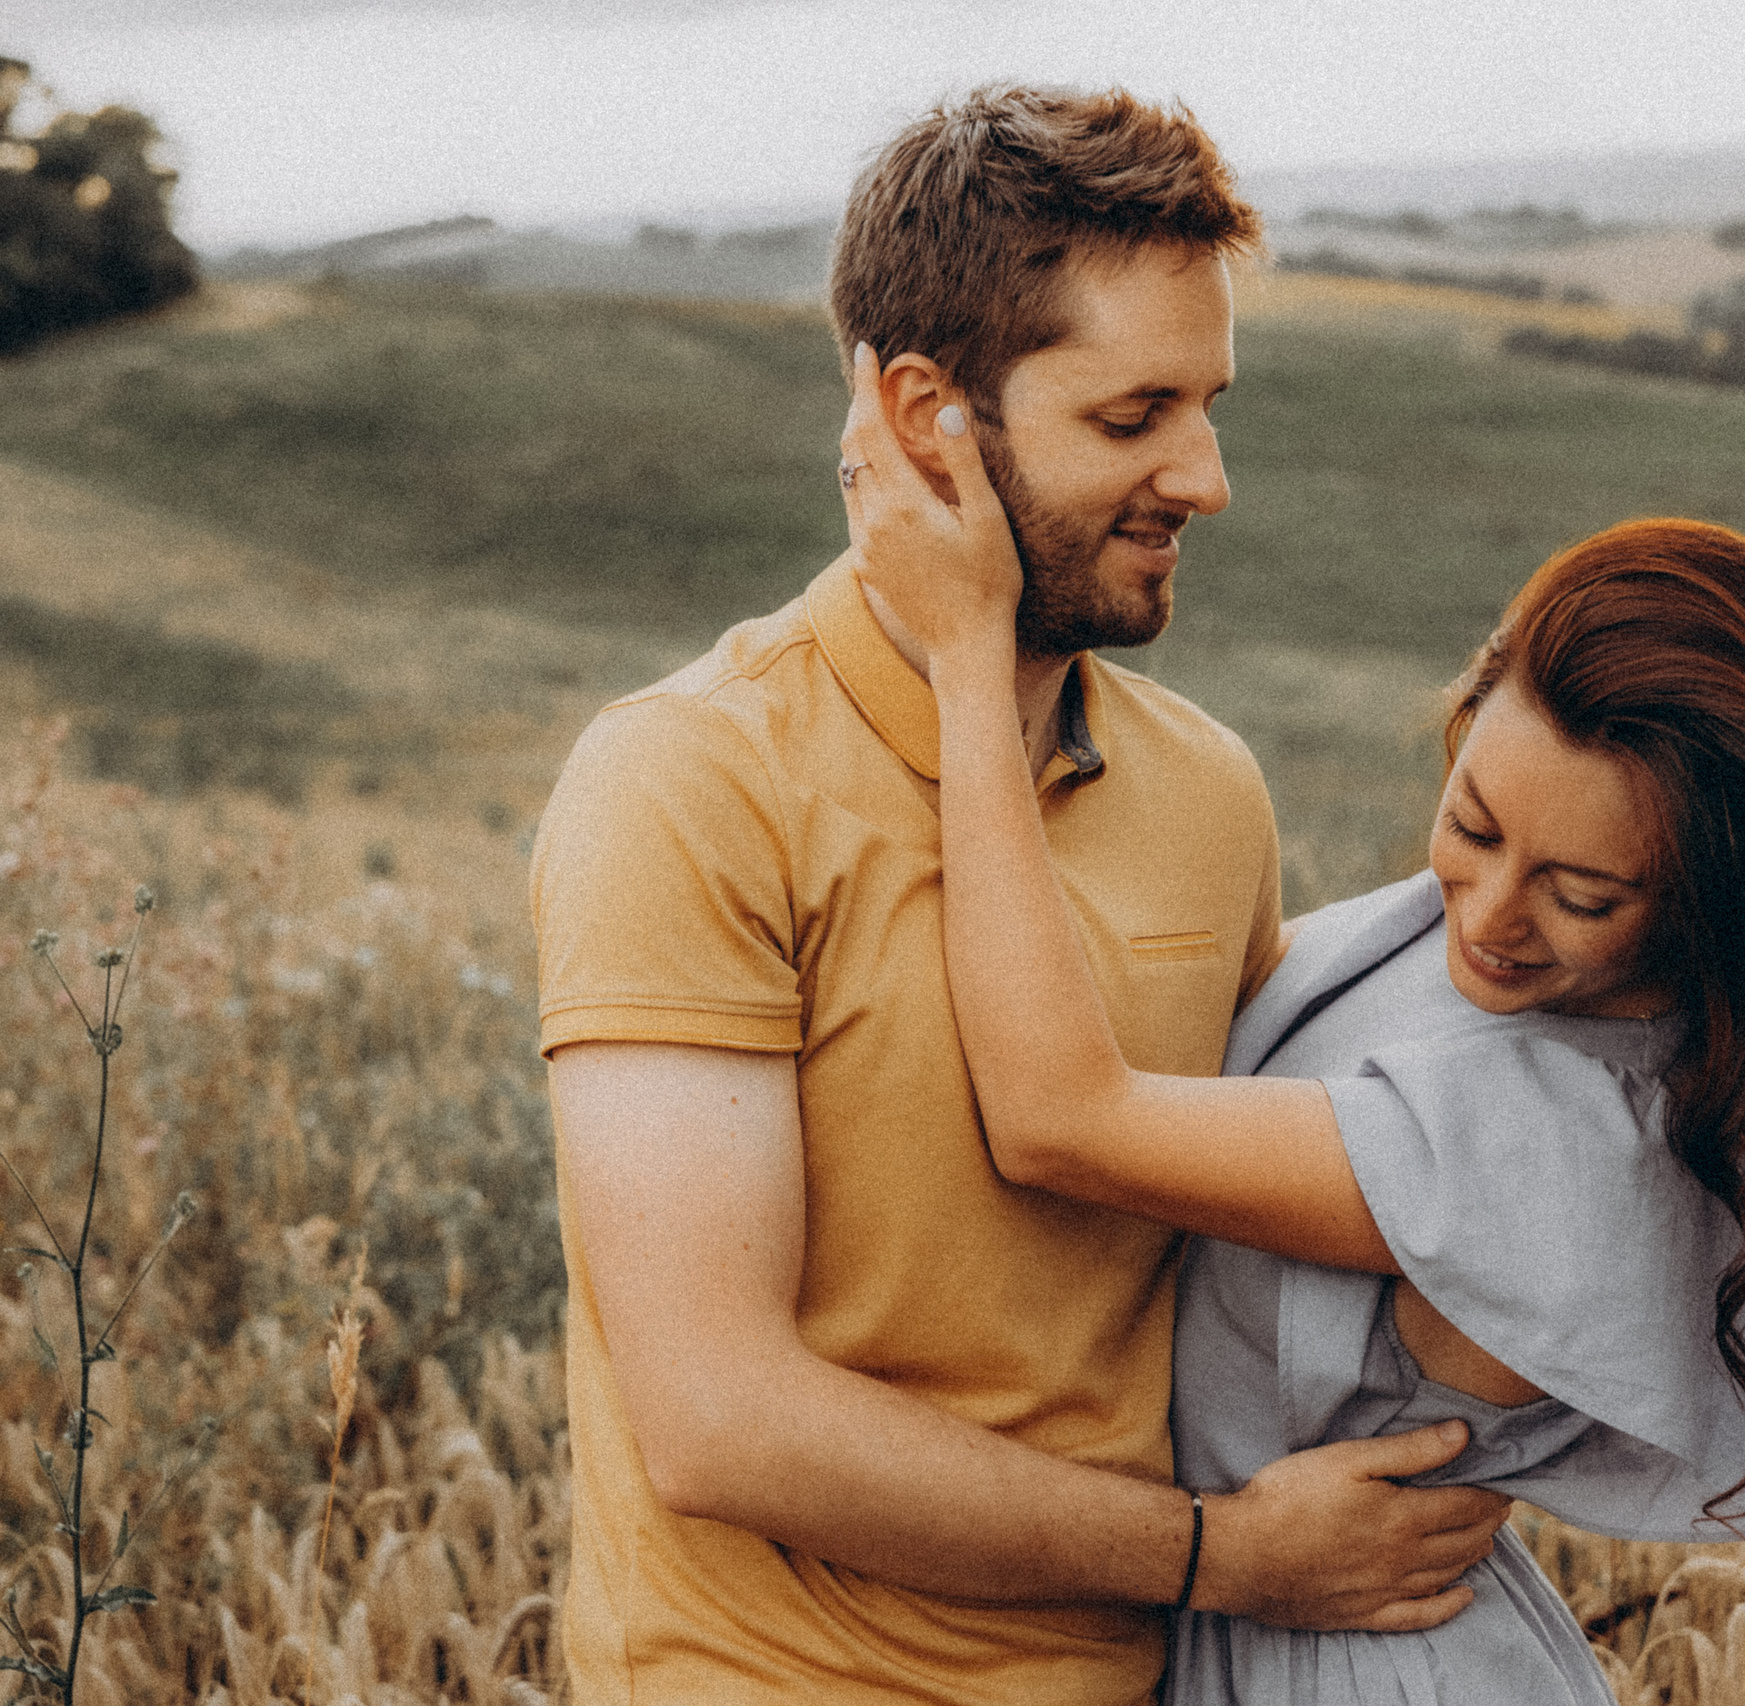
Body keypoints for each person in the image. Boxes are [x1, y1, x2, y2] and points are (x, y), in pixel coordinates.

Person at [530, 87, 1513, 1705]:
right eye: (1132, 419)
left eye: (1208, 406)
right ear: (929, 416)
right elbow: (718, 1418)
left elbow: (1261, 1267)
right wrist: (1221, 1552)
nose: (1204, 477)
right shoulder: (687, 785)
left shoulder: (1208, 789)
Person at [842, 360, 1745, 1700]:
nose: (1488, 914)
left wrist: (971, 655)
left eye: (1584, 893)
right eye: (1475, 823)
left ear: (1711, 900)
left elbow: (1058, 1117)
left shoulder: (1558, 1138)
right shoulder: (1506, 967)